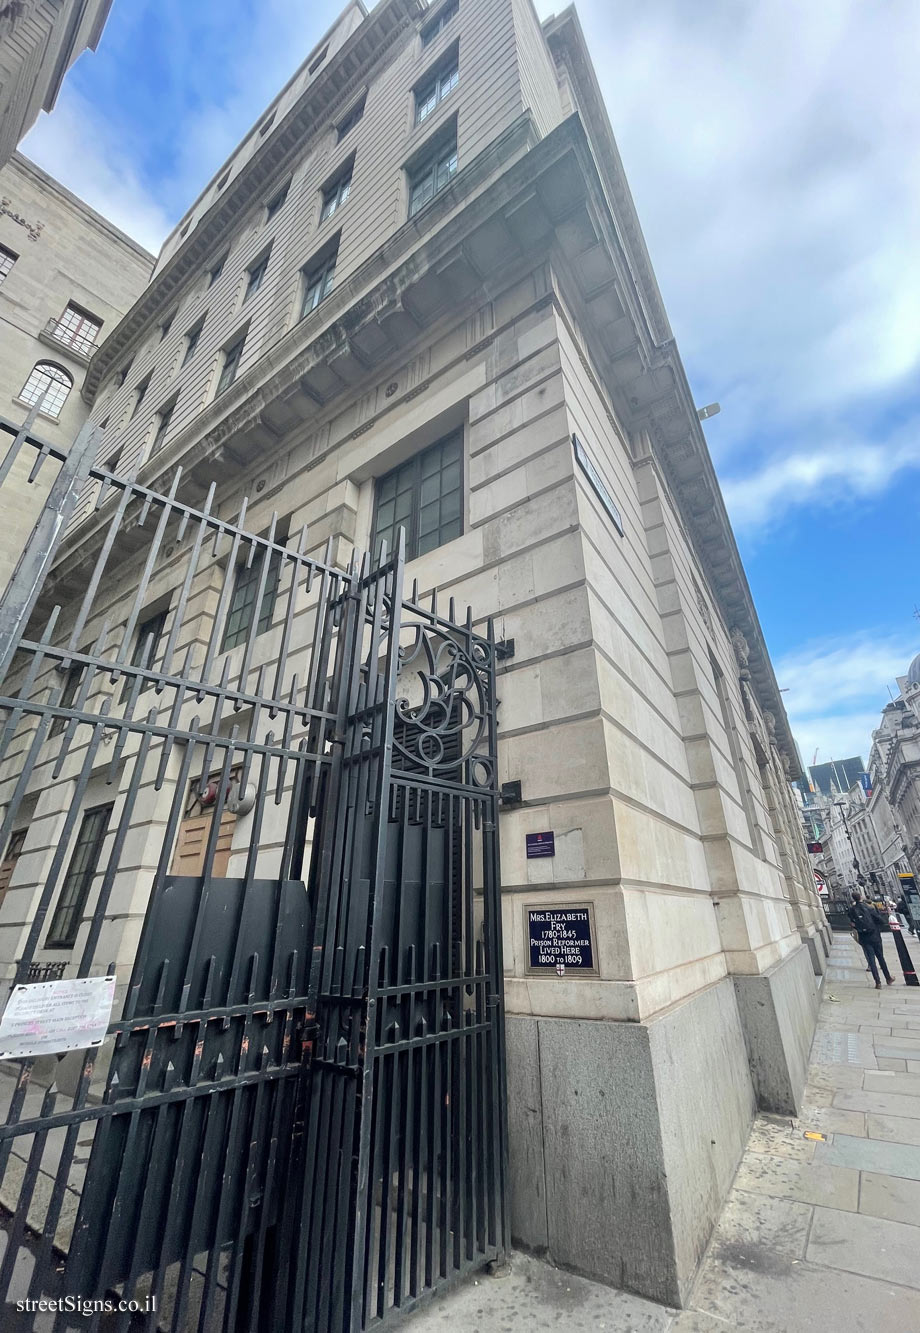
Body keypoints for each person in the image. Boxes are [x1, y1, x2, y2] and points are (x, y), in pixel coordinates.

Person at [848, 890, 895, 988]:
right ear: (861, 897)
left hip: (863, 936)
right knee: (880, 957)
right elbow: (881, 920)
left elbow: (852, 922)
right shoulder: (869, 908)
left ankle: (877, 982)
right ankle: (888, 978)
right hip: (874, 935)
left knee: (871, 959)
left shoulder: (852, 910)